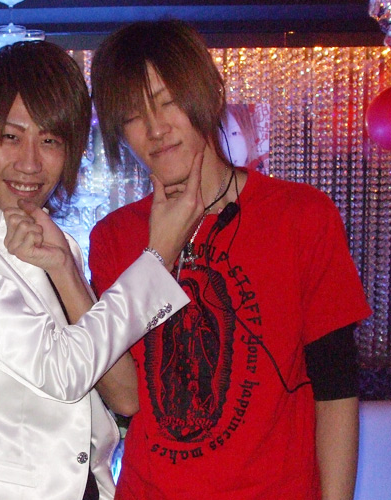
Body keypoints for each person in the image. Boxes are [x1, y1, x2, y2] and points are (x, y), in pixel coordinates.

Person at [0, 41, 203, 500]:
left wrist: (67, 270)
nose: (30, 163)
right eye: (10, 137)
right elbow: (61, 371)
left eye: (50, 141)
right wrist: (158, 256)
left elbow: (125, 397)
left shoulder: (54, 241)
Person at [89, 20, 372, 500]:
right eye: (133, 116)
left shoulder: (302, 216)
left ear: (207, 93)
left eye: (167, 101)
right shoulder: (114, 237)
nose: (155, 129)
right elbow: (127, 397)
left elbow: (337, 390)